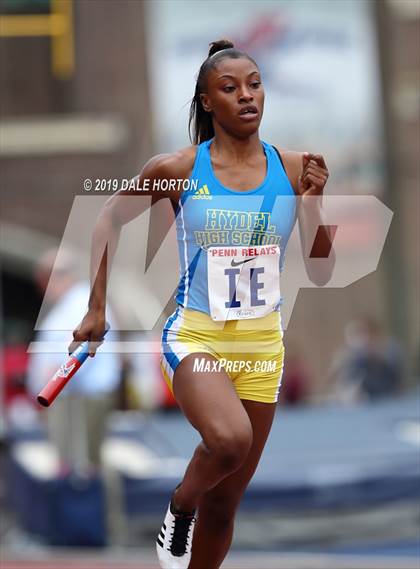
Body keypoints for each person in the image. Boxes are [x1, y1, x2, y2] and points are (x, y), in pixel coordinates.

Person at [69, 39, 334, 569]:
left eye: (254, 84)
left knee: (226, 504)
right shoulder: (180, 168)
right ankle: (179, 503)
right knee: (228, 441)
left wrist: (313, 203)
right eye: (229, 88)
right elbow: (106, 220)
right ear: (207, 101)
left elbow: (322, 267)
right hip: (196, 336)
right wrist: (96, 308)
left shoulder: (296, 165)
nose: (246, 97)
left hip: (262, 348)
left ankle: (197, 517)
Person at [27, 248, 121, 474]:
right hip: (70, 396)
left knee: (87, 467)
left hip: (80, 397)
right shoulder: (70, 305)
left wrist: (53, 382)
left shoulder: (82, 304)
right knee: (76, 465)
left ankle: (99, 509)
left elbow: (81, 351)